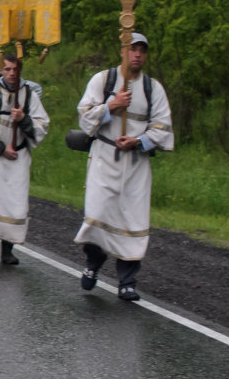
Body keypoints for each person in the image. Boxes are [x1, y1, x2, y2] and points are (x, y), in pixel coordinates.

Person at [74, 33, 173, 301]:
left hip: (136, 164)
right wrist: (111, 106)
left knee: (133, 219)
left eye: (142, 50)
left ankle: (127, 281)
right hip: (105, 157)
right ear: (122, 51)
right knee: (98, 214)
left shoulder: (154, 89)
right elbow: (84, 116)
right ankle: (93, 264)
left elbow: (163, 127)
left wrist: (139, 140)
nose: (137, 55)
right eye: (133, 49)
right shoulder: (103, 81)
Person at [0, 54, 50, 264]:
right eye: (8, 69)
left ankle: (7, 249)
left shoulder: (29, 95)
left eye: (15, 69)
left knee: (15, 202)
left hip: (19, 157)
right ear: (2, 70)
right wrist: (1, 148)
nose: (12, 73)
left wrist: (23, 120)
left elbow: (42, 125)